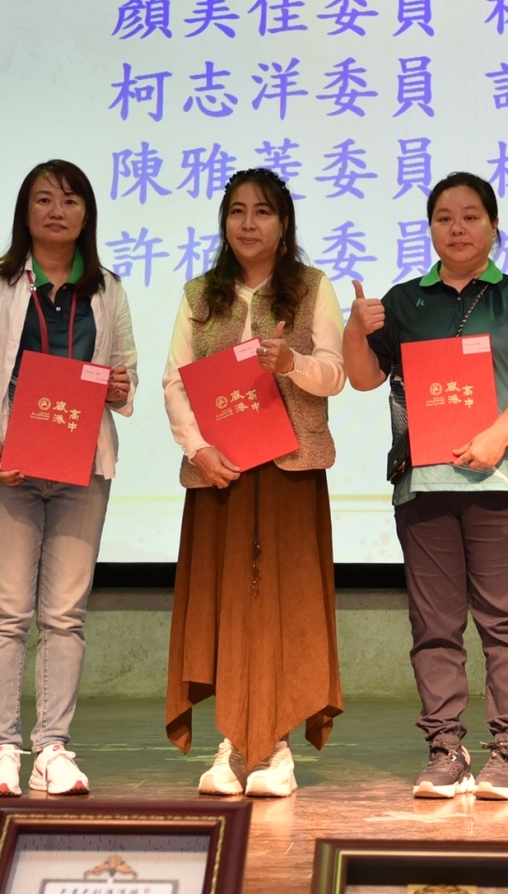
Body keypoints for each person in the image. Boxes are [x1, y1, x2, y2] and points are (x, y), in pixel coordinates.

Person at [342, 172, 508, 801]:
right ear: (431, 228)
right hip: (424, 484)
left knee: (504, 621)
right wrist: (355, 329)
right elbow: (363, 378)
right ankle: (445, 748)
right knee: (434, 624)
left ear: (494, 226)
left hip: (503, 479)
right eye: (444, 217)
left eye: (471, 216)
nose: (457, 228)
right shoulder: (404, 301)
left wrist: (497, 436)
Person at [0, 160, 137, 798]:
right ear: (25, 212)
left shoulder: (107, 289)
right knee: (5, 615)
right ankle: (1, 749)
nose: (57, 211)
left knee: (65, 617)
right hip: (5, 467)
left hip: (81, 468)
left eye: (71, 200)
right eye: (44, 200)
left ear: (87, 214)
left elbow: (125, 373)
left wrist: (119, 385)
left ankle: (52, 748)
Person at [162, 167, 347, 799]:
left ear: (284, 224)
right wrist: (198, 448)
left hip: (290, 470)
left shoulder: (312, 288)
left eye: (263, 211)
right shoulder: (199, 294)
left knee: (285, 605)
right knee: (226, 605)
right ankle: (233, 744)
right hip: (222, 473)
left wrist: (292, 362)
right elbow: (175, 381)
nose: (248, 223)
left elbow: (335, 373)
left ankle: (276, 749)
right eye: (237, 211)